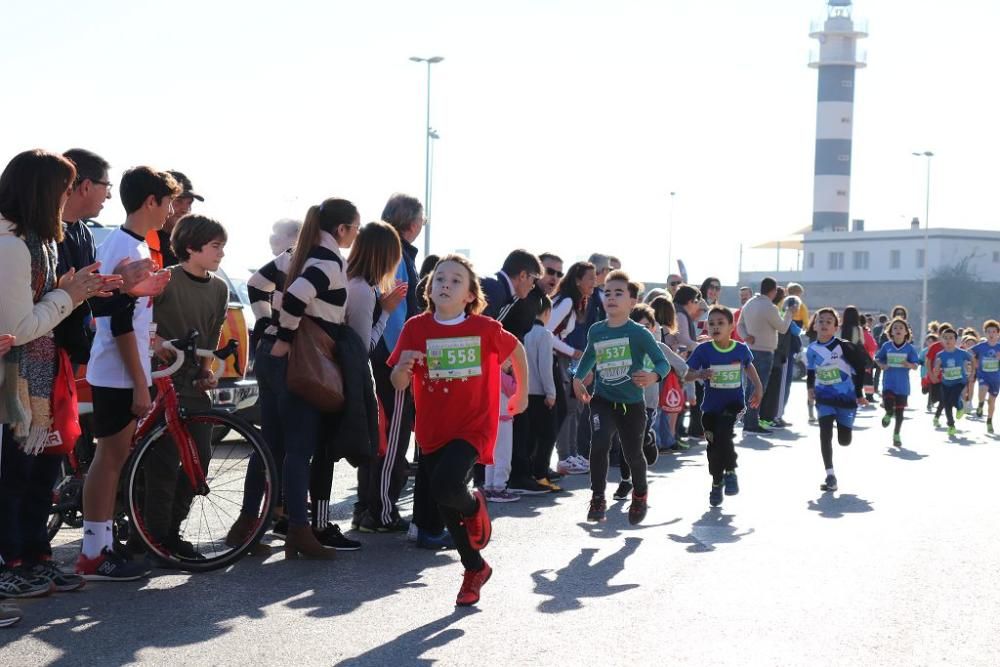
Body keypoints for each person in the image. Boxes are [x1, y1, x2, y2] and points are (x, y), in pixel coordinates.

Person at [388, 255, 528, 606]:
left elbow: (517, 351)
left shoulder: (483, 328)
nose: (445, 284)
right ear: (430, 289)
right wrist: (403, 369)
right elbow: (397, 380)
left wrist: (523, 394)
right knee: (443, 498)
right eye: (439, 279)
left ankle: (473, 506)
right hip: (433, 427)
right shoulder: (416, 328)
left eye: (455, 280)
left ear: (469, 295)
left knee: (446, 486)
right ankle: (475, 568)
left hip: (473, 424)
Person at [0, 150, 107, 600]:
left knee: (41, 472)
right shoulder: (10, 244)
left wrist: (78, 292)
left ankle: (36, 557)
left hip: (41, 372)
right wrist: (68, 295)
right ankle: (14, 563)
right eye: (65, 189)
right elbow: (18, 328)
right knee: (18, 475)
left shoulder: (36, 238)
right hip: (17, 377)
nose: (70, 197)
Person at [77, 166, 181, 580]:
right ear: (150, 201)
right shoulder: (124, 247)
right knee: (110, 458)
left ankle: (99, 544)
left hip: (123, 367)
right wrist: (141, 382)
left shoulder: (134, 245)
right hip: (117, 372)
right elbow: (117, 321)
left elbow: (133, 319)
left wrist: (152, 345)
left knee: (112, 458)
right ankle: (93, 552)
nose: (171, 211)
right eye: (168, 202)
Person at [261, 198, 360, 560]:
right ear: (342, 229)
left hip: (281, 355)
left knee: (274, 445)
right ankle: (299, 530)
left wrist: (265, 326)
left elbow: (258, 284)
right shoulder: (328, 260)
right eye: (356, 228)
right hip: (305, 359)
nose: (356, 235)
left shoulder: (298, 254)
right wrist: (285, 338)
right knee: (300, 449)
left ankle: (250, 524)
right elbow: (297, 297)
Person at [143, 215, 231, 560]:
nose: (221, 253)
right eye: (215, 246)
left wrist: (207, 371)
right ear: (191, 247)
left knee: (201, 460)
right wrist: (160, 343)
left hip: (193, 385)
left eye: (222, 246)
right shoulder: (165, 281)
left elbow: (213, 334)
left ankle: (170, 531)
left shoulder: (220, 288)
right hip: (160, 381)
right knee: (161, 464)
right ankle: (155, 539)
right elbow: (142, 324)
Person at [572, 270, 669, 526]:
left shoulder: (639, 333)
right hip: (603, 400)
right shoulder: (597, 330)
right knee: (600, 443)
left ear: (632, 301)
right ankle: (597, 498)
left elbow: (662, 363)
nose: (612, 297)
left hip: (632, 404)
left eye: (619, 293)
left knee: (632, 454)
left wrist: (652, 376)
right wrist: (577, 377)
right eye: (607, 293)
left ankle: (639, 493)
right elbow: (588, 358)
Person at [344, 221, 410, 547]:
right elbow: (362, 347)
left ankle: (365, 508)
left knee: (376, 442)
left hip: (363, 378)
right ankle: (379, 512)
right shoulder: (362, 288)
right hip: (374, 374)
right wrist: (386, 312)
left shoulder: (349, 279)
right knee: (387, 441)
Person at [361, 194, 423, 534]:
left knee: (381, 433)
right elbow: (397, 309)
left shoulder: (381, 249)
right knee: (394, 434)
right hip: (391, 359)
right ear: (412, 224)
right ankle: (381, 511)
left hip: (380, 354)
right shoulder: (396, 254)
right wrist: (403, 357)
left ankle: (368, 507)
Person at [684, 305, 763, 507]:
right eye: (711, 324)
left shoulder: (740, 349)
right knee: (713, 447)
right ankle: (716, 482)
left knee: (724, 433)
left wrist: (758, 389)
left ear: (731, 326)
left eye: (720, 323)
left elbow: (749, 367)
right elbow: (686, 374)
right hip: (710, 408)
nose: (715, 327)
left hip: (734, 404)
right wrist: (700, 374)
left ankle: (730, 472)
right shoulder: (703, 350)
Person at [806, 308, 867, 493]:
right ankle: (830, 475)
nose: (824, 324)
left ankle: (846, 429)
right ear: (814, 325)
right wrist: (810, 389)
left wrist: (859, 394)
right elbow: (810, 371)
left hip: (846, 399)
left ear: (835, 327)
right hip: (824, 397)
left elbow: (860, 366)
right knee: (825, 434)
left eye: (828, 322)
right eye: (820, 321)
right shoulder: (811, 349)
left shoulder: (843, 346)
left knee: (844, 440)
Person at [549, 261, 595, 476]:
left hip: (563, 359)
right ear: (578, 280)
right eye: (590, 278)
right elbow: (545, 332)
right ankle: (565, 456)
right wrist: (571, 352)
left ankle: (572, 454)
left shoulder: (576, 301)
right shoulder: (567, 301)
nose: (594, 283)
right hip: (555, 359)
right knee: (568, 406)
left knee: (575, 405)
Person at [737, 278, 798, 434]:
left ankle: (747, 420)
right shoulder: (769, 307)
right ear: (773, 291)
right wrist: (790, 313)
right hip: (764, 352)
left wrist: (746, 336)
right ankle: (751, 424)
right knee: (758, 388)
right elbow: (783, 328)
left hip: (749, 349)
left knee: (750, 386)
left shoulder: (749, 303)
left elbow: (739, 325)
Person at [524, 295, 563, 492]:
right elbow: (545, 367)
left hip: (523, 392)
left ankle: (529, 472)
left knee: (529, 436)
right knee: (547, 435)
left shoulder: (523, 332)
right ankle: (541, 474)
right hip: (540, 392)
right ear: (547, 312)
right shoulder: (544, 334)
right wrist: (551, 393)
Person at [873, 318, 919, 447]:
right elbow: (877, 358)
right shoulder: (887, 346)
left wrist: (908, 364)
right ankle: (888, 413)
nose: (898, 330)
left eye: (901, 328)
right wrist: (882, 365)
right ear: (891, 332)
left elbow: (916, 365)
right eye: (895, 328)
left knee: (900, 412)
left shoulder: (909, 348)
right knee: (888, 402)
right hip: (889, 382)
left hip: (903, 385)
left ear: (906, 332)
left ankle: (896, 434)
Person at [146, 170, 204, 269]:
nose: (185, 209)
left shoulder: (195, 246)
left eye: (189, 203)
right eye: (178, 201)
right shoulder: (140, 241)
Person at [933, 327, 974, 438]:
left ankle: (959, 406)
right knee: (947, 405)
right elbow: (936, 372)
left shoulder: (962, 353)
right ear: (942, 340)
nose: (948, 340)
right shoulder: (940, 355)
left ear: (956, 340)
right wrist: (937, 365)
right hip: (946, 383)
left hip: (959, 381)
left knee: (953, 399)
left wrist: (972, 373)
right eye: (945, 338)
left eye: (951, 338)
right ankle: (951, 425)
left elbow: (973, 359)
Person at [972, 320, 1000, 433]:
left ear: (998, 333)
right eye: (988, 332)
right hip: (983, 374)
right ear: (985, 333)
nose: (991, 334)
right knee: (983, 388)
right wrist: (975, 363)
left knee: (992, 402)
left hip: (996, 378)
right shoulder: (980, 346)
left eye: (994, 332)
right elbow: (969, 353)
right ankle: (980, 405)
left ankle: (989, 421)